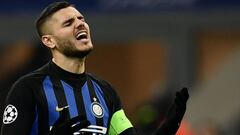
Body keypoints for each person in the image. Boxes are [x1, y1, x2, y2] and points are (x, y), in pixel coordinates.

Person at [1, 1, 189, 135]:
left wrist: (168, 127)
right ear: (49, 41)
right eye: (68, 23)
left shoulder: (104, 91)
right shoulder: (28, 89)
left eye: (81, 18)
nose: (80, 24)